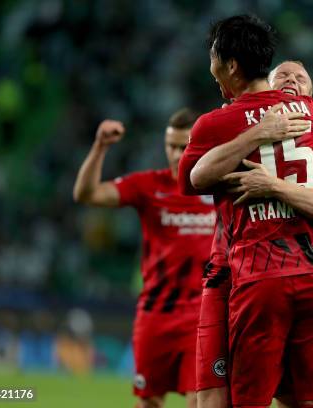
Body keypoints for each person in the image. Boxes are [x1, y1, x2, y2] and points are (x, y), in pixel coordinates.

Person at [178, 15, 313, 408]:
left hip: (258, 273)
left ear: (231, 65)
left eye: (214, 61)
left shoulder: (216, 124)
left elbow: (191, 180)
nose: (212, 71)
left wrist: (252, 143)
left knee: (242, 400)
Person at [73, 109, 213, 408]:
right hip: (156, 314)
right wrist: (100, 147)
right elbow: (87, 194)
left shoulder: (218, 189)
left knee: (201, 400)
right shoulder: (149, 186)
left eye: (184, 146)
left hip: (204, 315)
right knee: (148, 401)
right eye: (171, 146)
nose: (176, 154)